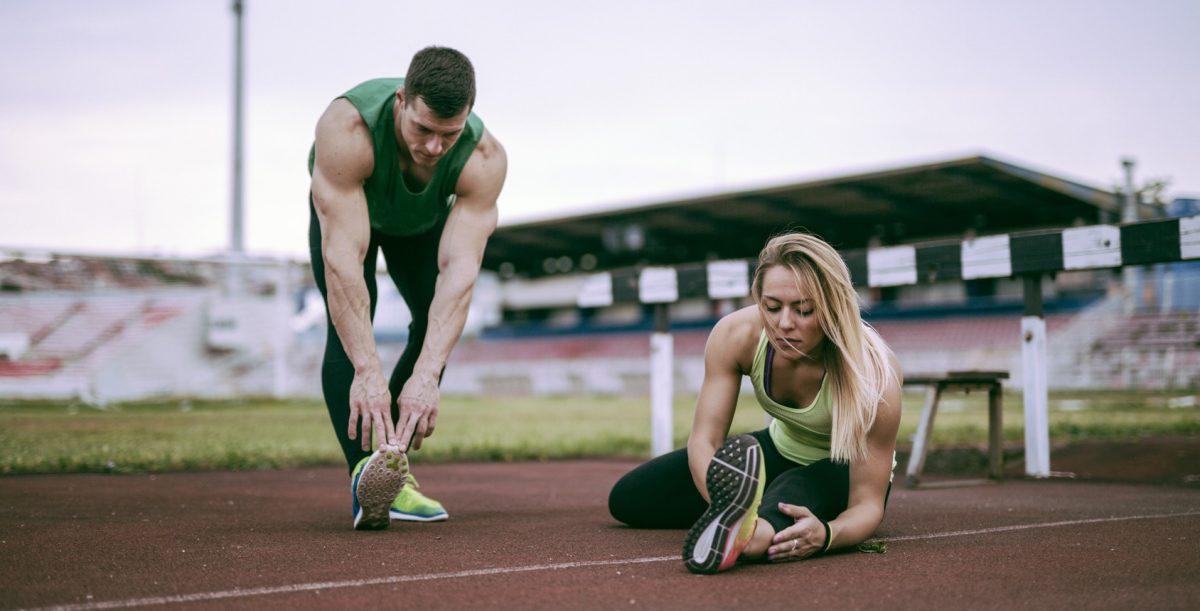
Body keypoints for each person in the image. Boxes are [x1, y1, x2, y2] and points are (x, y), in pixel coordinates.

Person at [608, 232, 902, 573]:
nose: (784, 324)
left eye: (804, 310)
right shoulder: (736, 335)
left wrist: (827, 535)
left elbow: (867, 505)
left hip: (840, 467)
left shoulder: (875, 376)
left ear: (832, 308)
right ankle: (743, 521)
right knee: (630, 498)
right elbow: (705, 441)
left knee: (790, 492)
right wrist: (726, 504)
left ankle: (755, 537)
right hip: (779, 448)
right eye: (772, 307)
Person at [307, 46, 507, 530]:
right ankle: (364, 473)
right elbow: (344, 266)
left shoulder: (483, 159)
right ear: (402, 100)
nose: (434, 148)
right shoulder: (346, 132)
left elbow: (458, 282)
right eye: (422, 130)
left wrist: (427, 376)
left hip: (420, 224)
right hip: (352, 216)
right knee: (352, 329)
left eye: (448, 135)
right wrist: (368, 372)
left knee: (431, 324)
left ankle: (390, 467)